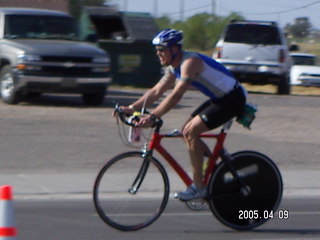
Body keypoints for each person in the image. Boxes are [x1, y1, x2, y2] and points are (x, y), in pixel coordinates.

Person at [120, 29, 247, 201]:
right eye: (157, 50)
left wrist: (154, 116)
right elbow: (157, 91)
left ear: (174, 49)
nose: (158, 54)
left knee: (191, 132)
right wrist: (131, 107)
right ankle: (213, 168)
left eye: (162, 50)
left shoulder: (190, 62)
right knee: (184, 131)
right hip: (220, 98)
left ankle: (199, 187)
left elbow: (177, 94)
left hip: (233, 98)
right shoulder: (174, 67)